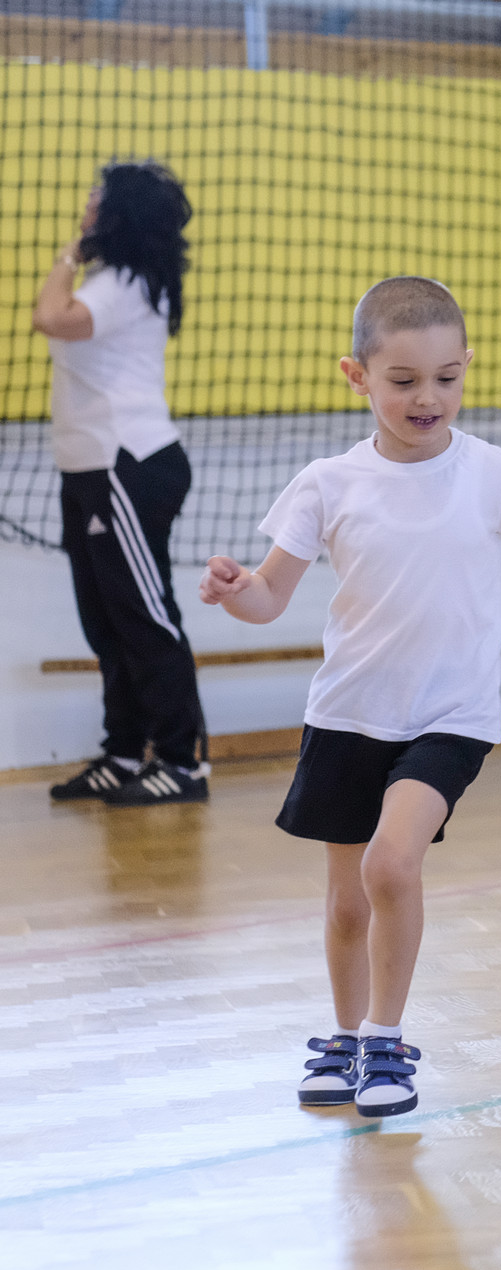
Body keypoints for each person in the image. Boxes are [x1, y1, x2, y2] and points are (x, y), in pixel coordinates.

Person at [198, 277, 501, 1116]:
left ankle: (385, 1040)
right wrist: (235, 590)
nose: (427, 397)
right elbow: (269, 595)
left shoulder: (493, 473)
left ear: (466, 366)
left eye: (446, 377)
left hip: (451, 718)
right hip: (348, 713)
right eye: (403, 380)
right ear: (357, 376)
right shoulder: (328, 483)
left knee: (391, 864)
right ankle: (343, 1039)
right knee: (346, 906)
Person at [33, 160, 209, 806]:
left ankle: (183, 762)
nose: (88, 200)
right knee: (105, 622)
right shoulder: (115, 280)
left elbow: (50, 316)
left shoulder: (123, 283)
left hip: (127, 468)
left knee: (144, 618)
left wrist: (69, 253)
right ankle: (124, 752)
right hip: (90, 470)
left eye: (98, 194)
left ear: (120, 212)